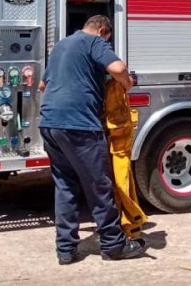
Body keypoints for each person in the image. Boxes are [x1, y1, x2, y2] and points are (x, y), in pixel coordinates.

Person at [38, 15, 146, 264]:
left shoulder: (61, 45)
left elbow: (43, 85)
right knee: (99, 185)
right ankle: (113, 244)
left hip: (50, 124)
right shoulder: (94, 41)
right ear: (102, 31)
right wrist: (127, 83)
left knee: (65, 186)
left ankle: (65, 250)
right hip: (79, 125)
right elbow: (118, 69)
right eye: (108, 39)